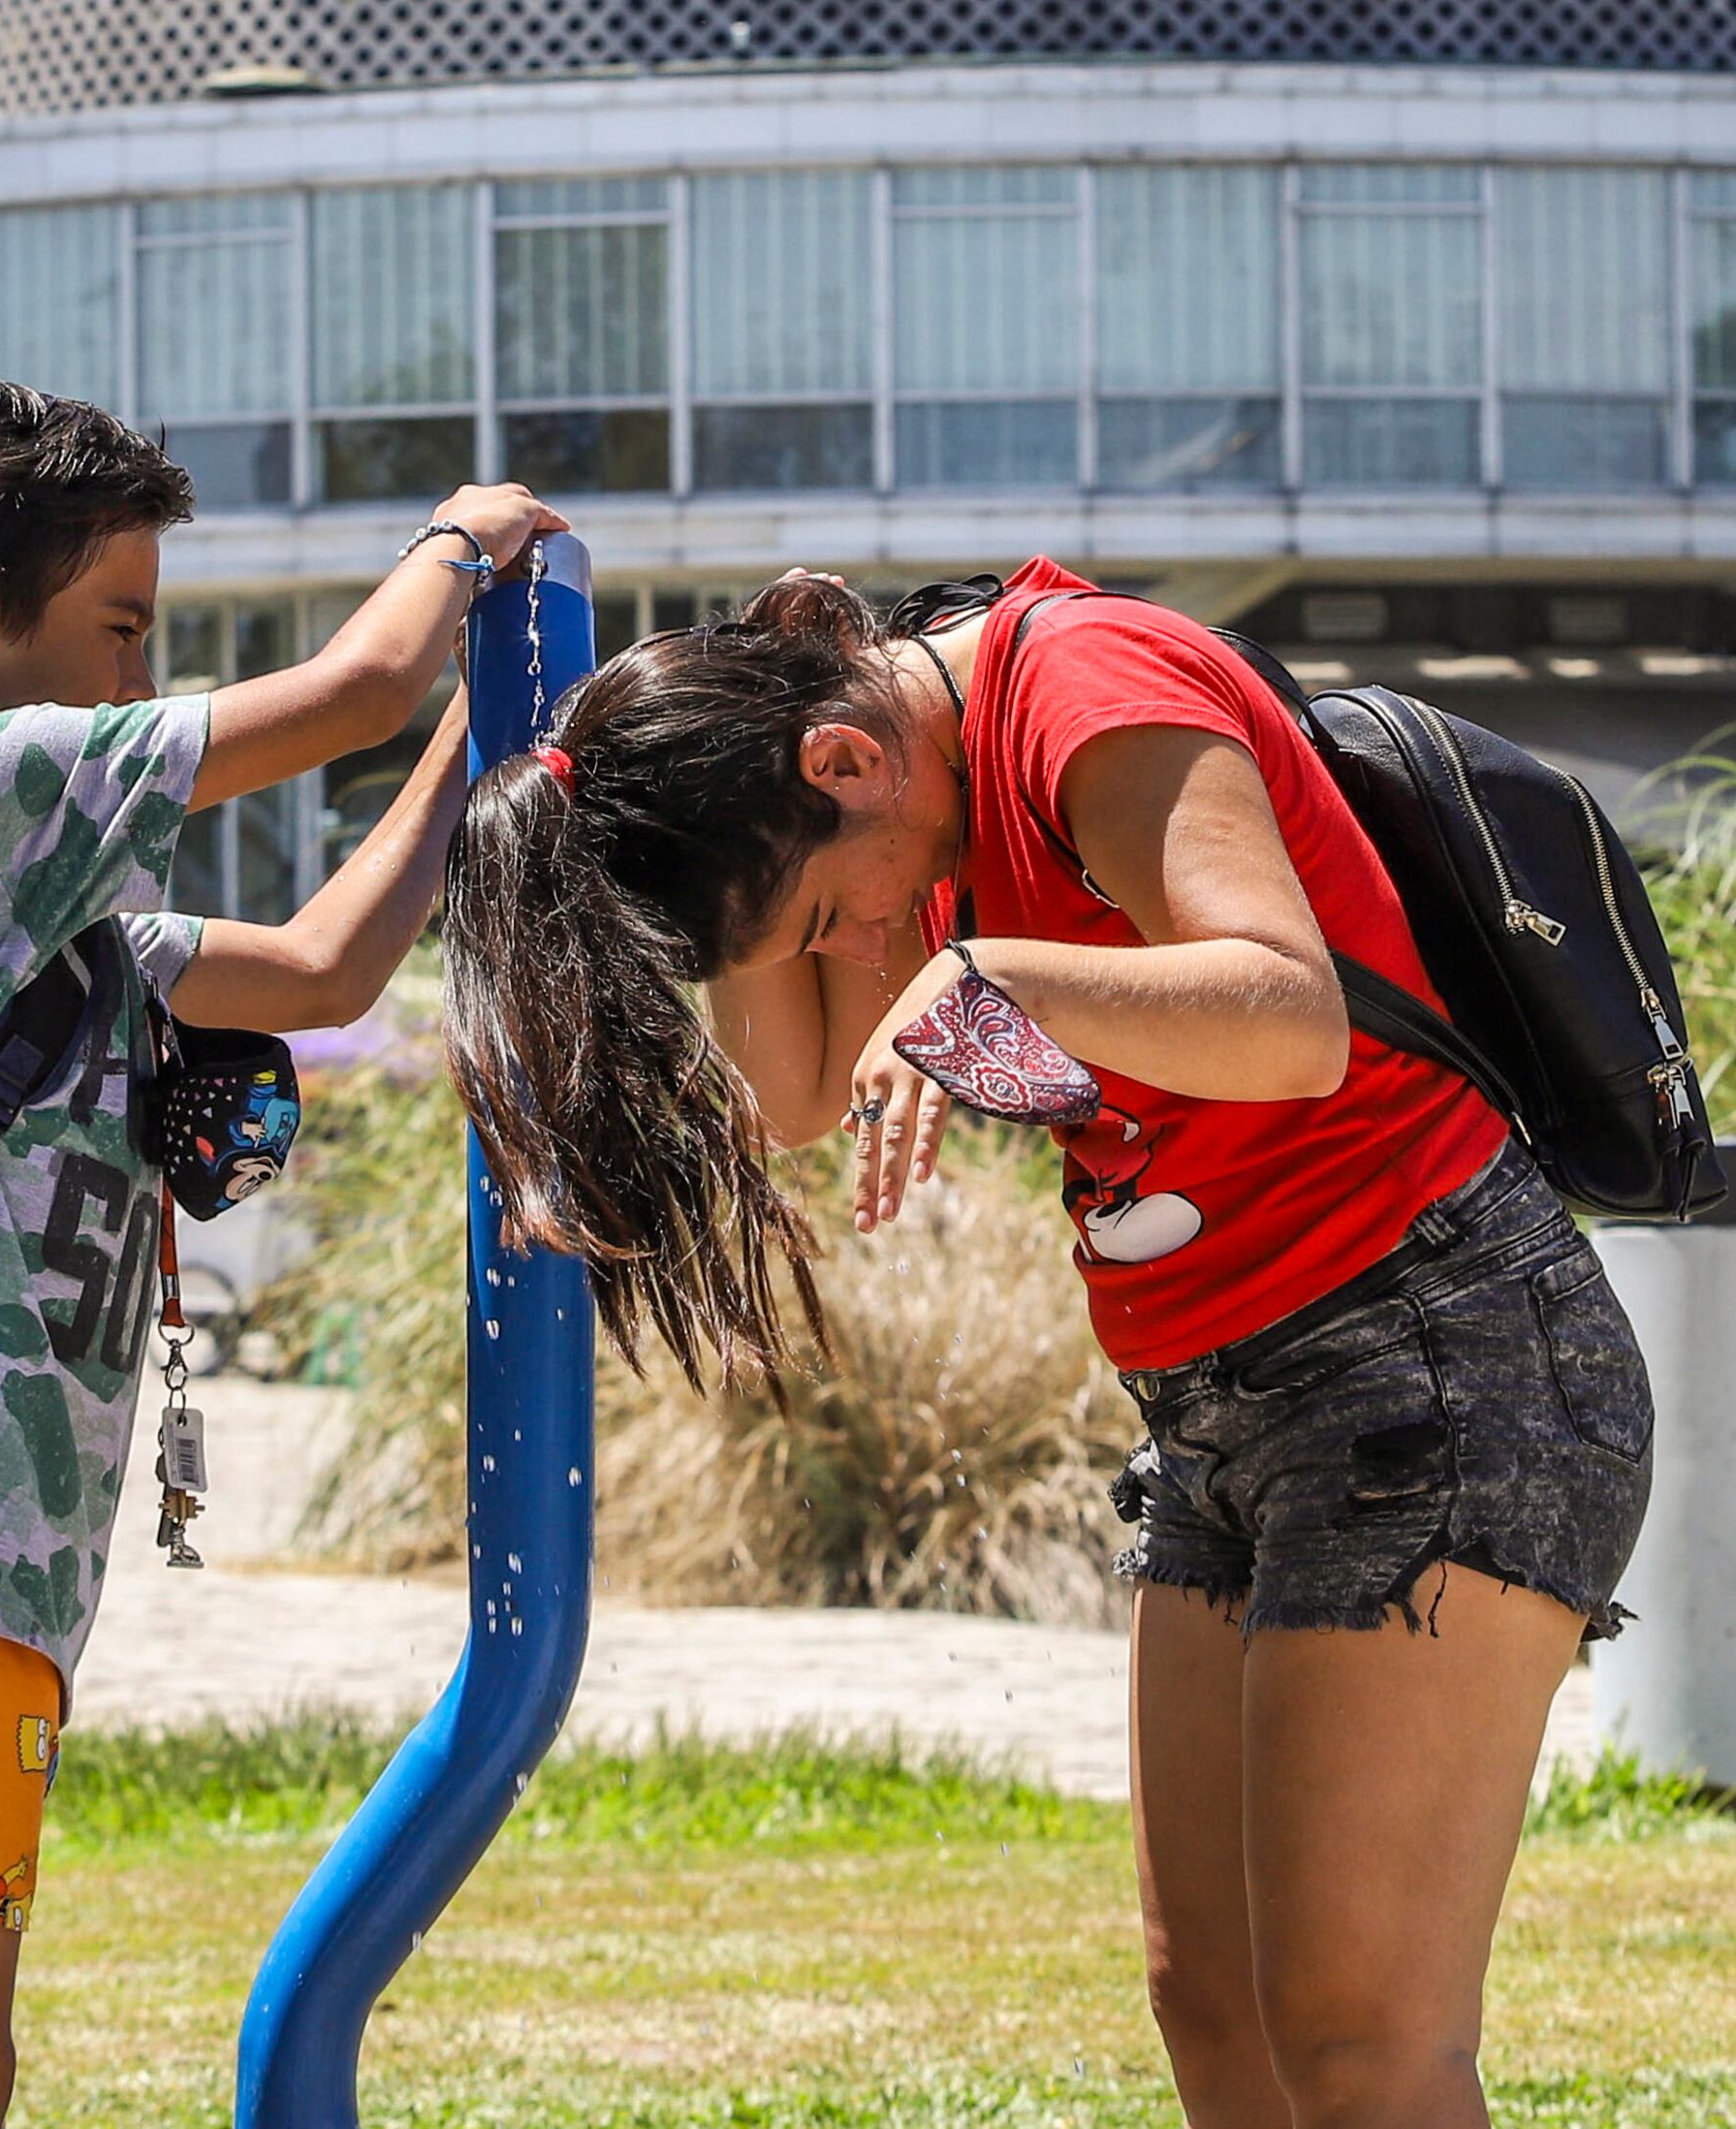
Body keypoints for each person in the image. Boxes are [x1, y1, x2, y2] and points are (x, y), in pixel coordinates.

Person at [437, 558, 1653, 2129]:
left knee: (1359, 2037)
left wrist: (988, 969)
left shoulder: (1083, 690)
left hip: (1430, 1344)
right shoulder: (884, 785)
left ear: (845, 760)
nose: (862, 935)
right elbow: (800, 1094)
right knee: (1209, 2004)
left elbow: (1292, 1014)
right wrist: (722, 895)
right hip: (1218, 1405)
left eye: (827, 908)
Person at [0, 369, 558, 2129]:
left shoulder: (44, 917)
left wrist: (473, 747)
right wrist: (461, 545)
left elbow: (327, 967)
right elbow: (352, 685)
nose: (135, 677)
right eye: (119, 628)